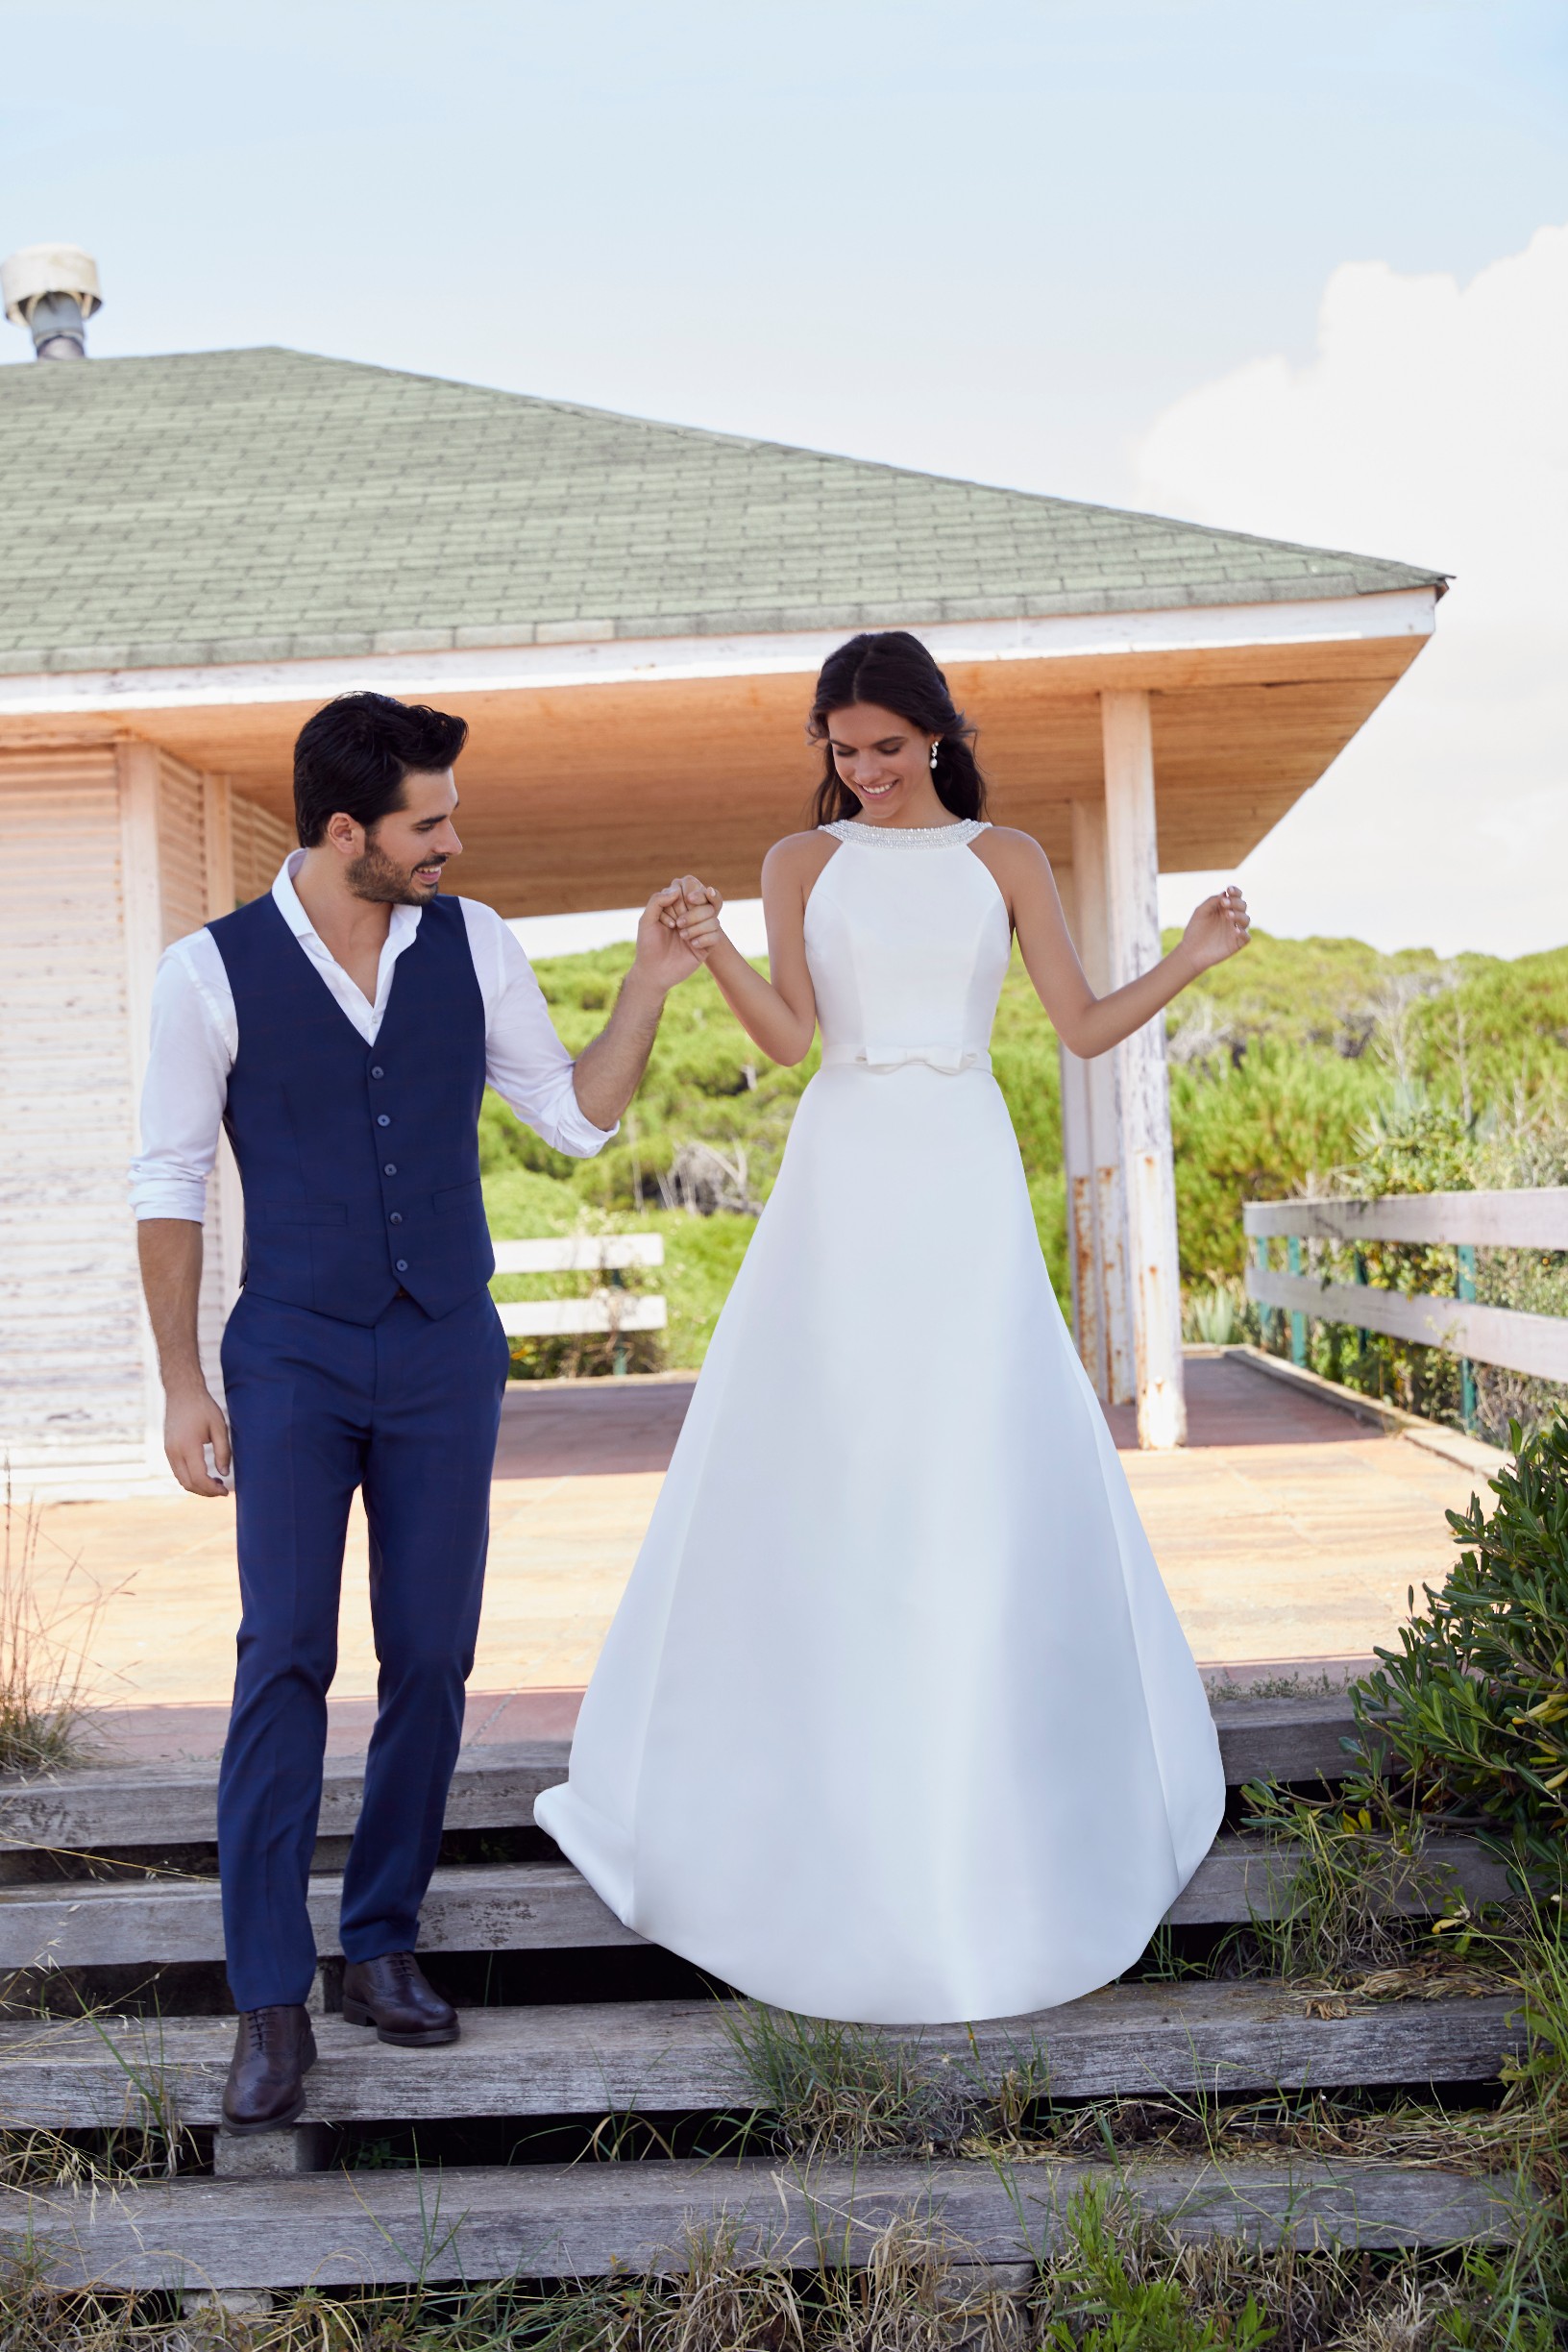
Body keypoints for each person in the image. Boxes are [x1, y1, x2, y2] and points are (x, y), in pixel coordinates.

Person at [536, 630, 1250, 2026]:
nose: (860, 771)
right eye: (840, 749)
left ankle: (987, 1739)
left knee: (971, 1434)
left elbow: (1086, 1028)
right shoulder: (801, 863)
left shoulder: (1008, 858)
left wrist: (1198, 955)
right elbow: (792, 1040)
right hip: (846, 1162)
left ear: (934, 733)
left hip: (961, 1160)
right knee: (840, 1437)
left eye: (882, 745)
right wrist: (719, 955)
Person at [133, 691, 702, 2130]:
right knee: (283, 1655)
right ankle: (271, 1996)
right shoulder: (205, 974)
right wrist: (182, 1383)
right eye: (427, 822)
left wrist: (644, 981)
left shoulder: (480, 942)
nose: (456, 839)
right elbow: (170, 1184)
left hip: (447, 1347)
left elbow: (571, 1119)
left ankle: (381, 1940)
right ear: (346, 834)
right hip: (292, 1357)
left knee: (435, 1657)